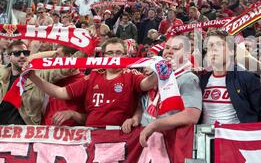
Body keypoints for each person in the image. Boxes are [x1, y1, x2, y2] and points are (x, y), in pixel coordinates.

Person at [27, 37, 157, 128]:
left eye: (119, 53)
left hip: (119, 134)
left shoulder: (131, 75)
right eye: (110, 53)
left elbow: (146, 84)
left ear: (125, 56)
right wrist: (33, 77)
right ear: (103, 56)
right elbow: (61, 92)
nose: (114, 56)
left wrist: (158, 73)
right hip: (91, 134)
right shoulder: (93, 75)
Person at [135, 35, 202, 147]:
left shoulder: (189, 78)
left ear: (187, 55)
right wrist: (135, 117)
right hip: (148, 140)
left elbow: (191, 116)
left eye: (176, 49)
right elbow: (142, 95)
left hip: (169, 143)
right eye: (167, 48)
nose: (169, 52)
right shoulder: (159, 74)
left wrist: (155, 125)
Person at [0, 40, 80, 125]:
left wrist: (57, 52)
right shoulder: (2, 72)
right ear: (9, 57)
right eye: (17, 53)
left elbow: (68, 68)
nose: (22, 56)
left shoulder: (39, 74)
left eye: (26, 52)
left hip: (26, 132)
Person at [200, 30, 261, 124]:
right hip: (204, 137)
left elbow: (260, 115)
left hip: (236, 136)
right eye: (210, 46)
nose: (213, 49)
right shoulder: (201, 80)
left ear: (231, 51)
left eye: (219, 44)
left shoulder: (248, 79)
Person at [43, 45, 86, 126]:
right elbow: (30, 59)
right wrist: (54, 52)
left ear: (69, 57)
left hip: (73, 135)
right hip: (46, 133)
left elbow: (91, 118)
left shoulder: (85, 81)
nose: (54, 59)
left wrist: (72, 114)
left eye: (57, 55)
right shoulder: (52, 77)